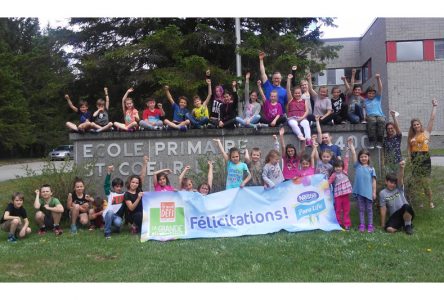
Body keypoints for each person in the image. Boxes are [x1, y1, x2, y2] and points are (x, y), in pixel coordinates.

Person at [407, 99, 438, 209]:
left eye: (417, 124)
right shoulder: (411, 137)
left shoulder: (426, 133)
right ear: (412, 126)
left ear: (420, 124)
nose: (416, 126)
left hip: (424, 157)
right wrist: (410, 161)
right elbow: (409, 150)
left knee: (425, 182)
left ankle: (430, 202)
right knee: (417, 182)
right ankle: (420, 202)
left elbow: (432, 119)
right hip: (415, 158)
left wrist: (434, 106)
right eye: (414, 125)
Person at [379, 161, 414, 235]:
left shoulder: (399, 188)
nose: (393, 185)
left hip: (406, 212)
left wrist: (401, 168)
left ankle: (408, 226)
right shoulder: (382, 193)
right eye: (391, 182)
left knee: (406, 206)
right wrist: (382, 224)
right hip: (395, 216)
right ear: (386, 182)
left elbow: (400, 178)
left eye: (394, 183)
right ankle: (402, 225)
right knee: (389, 229)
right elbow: (383, 208)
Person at [349, 142, 377, 233]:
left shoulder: (371, 168)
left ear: (368, 157)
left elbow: (373, 181)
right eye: (361, 157)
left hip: (368, 193)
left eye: (365, 156)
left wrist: (374, 192)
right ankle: (362, 225)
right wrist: (352, 147)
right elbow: (353, 155)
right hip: (360, 192)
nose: (363, 158)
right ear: (359, 158)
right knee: (361, 209)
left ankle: (370, 225)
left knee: (369, 210)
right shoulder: (357, 166)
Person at [328, 139, 353, 230]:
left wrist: (347, 149)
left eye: (339, 167)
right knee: (338, 210)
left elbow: (346, 160)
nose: (338, 169)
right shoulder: (334, 175)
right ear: (334, 168)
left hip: (345, 194)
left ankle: (347, 224)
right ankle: (338, 223)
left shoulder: (345, 171)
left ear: (342, 167)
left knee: (346, 210)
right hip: (337, 195)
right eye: (336, 167)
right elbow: (328, 182)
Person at [286, 72, 311, 143]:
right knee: (293, 124)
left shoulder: (304, 100)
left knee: (306, 124)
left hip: (302, 117)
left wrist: (302, 118)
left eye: (299, 93)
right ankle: (300, 135)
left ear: (301, 93)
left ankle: (308, 139)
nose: (297, 94)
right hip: (293, 118)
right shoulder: (291, 99)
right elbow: (288, 89)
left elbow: (307, 111)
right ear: (293, 94)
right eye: (296, 93)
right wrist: (289, 79)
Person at [103, 165, 126, 239]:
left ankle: (115, 228)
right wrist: (109, 172)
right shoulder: (110, 194)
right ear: (113, 187)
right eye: (117, 186)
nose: (119, 188)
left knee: (118, 223)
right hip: (108, 214)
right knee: (109, 212)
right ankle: (107, 233)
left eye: (120, 186)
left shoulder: (124, 194)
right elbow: (106, 185)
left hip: (117, 217)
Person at [364, 73, 385, 149]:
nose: (371, 95)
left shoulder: (378, 99)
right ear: (367, 94)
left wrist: (378, 79)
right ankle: (372, 141)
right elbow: (363, 109)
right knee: (372, 122)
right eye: (369, 93)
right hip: (370, 116)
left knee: (381, 121)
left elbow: (380, 88)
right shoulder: (365, 101)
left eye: (373, 93)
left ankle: (380, 141)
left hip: (379, 115)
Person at [382, 110, 403, 174]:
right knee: (390, 181)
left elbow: (397, 128)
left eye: (391, 128)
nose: (390, 130)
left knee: (399, 180)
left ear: (394, 128)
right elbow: (383, 152)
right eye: (388, 129)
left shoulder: (398, 137)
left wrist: (394, 117)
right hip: (388, 163)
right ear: (386, 130)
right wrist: (383, 163)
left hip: (398, 162)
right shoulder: (384, 139)